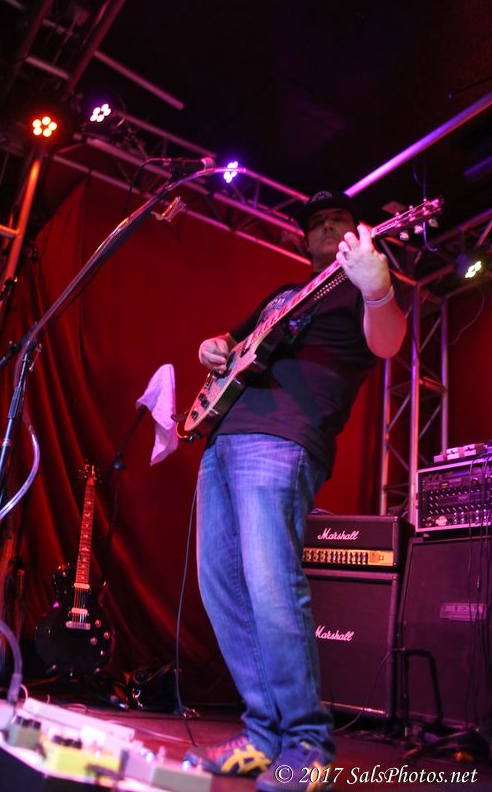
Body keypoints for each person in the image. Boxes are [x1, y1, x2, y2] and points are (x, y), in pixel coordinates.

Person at [185, 191, 406, 791]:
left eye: (338, 220)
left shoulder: (363, 282)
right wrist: (214, 348)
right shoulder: (286, 293)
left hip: (284, 437)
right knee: (221, 585)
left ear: (357, 232)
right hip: (224, 437)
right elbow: (230, 345)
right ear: (305, 239)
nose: (327, 227)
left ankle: (307, 743)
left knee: (270, 583)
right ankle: (262, 735)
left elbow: (388, 341)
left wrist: (377, 288)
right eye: (317, 223)